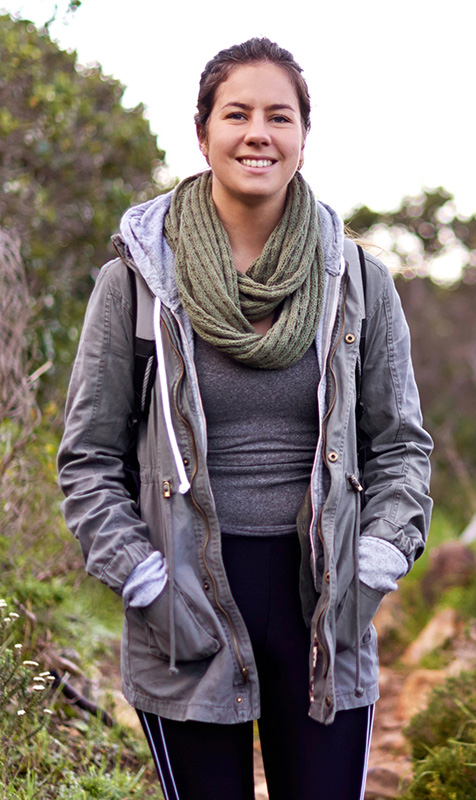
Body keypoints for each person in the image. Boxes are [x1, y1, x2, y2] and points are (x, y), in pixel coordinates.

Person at [58, 37, 433, 800]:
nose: (257, 132)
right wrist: (138, 575)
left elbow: (400, 446)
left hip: (322, 605)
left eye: (279, 116)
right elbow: (89, 459)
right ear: (202, 133)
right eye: (237, 113)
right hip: (185, 605)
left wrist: (379, 557)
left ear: (301, 138)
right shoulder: (132, 282)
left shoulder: (358, 281)